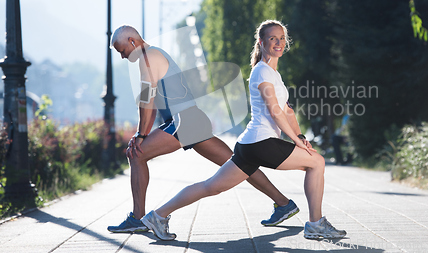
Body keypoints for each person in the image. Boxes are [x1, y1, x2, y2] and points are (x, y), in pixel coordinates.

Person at [141, 20, 347, 240]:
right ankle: (316, 224)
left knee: (212, 186)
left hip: (250, 145)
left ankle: (158, 215)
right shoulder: (262, 72)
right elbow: (275, 111)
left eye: (281, 38)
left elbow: (287, 111)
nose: (278, 42)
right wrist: (295, 141)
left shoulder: (272, 73)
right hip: (261, 143)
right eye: (272, 38)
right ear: (261, 42)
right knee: (317, 162)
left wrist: (301, 137)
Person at [107, 25, 299, 233]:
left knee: (136, 155)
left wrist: (140, 135)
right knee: (239, 163)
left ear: (133, 42)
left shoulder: (148, 57)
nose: (123, 56)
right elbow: (149, 104)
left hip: (185, 121)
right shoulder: (153, 55)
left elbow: (146, 102)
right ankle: (283, 203)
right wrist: (142, 132)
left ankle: (137, 218)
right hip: (193, 119)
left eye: (122, 51)